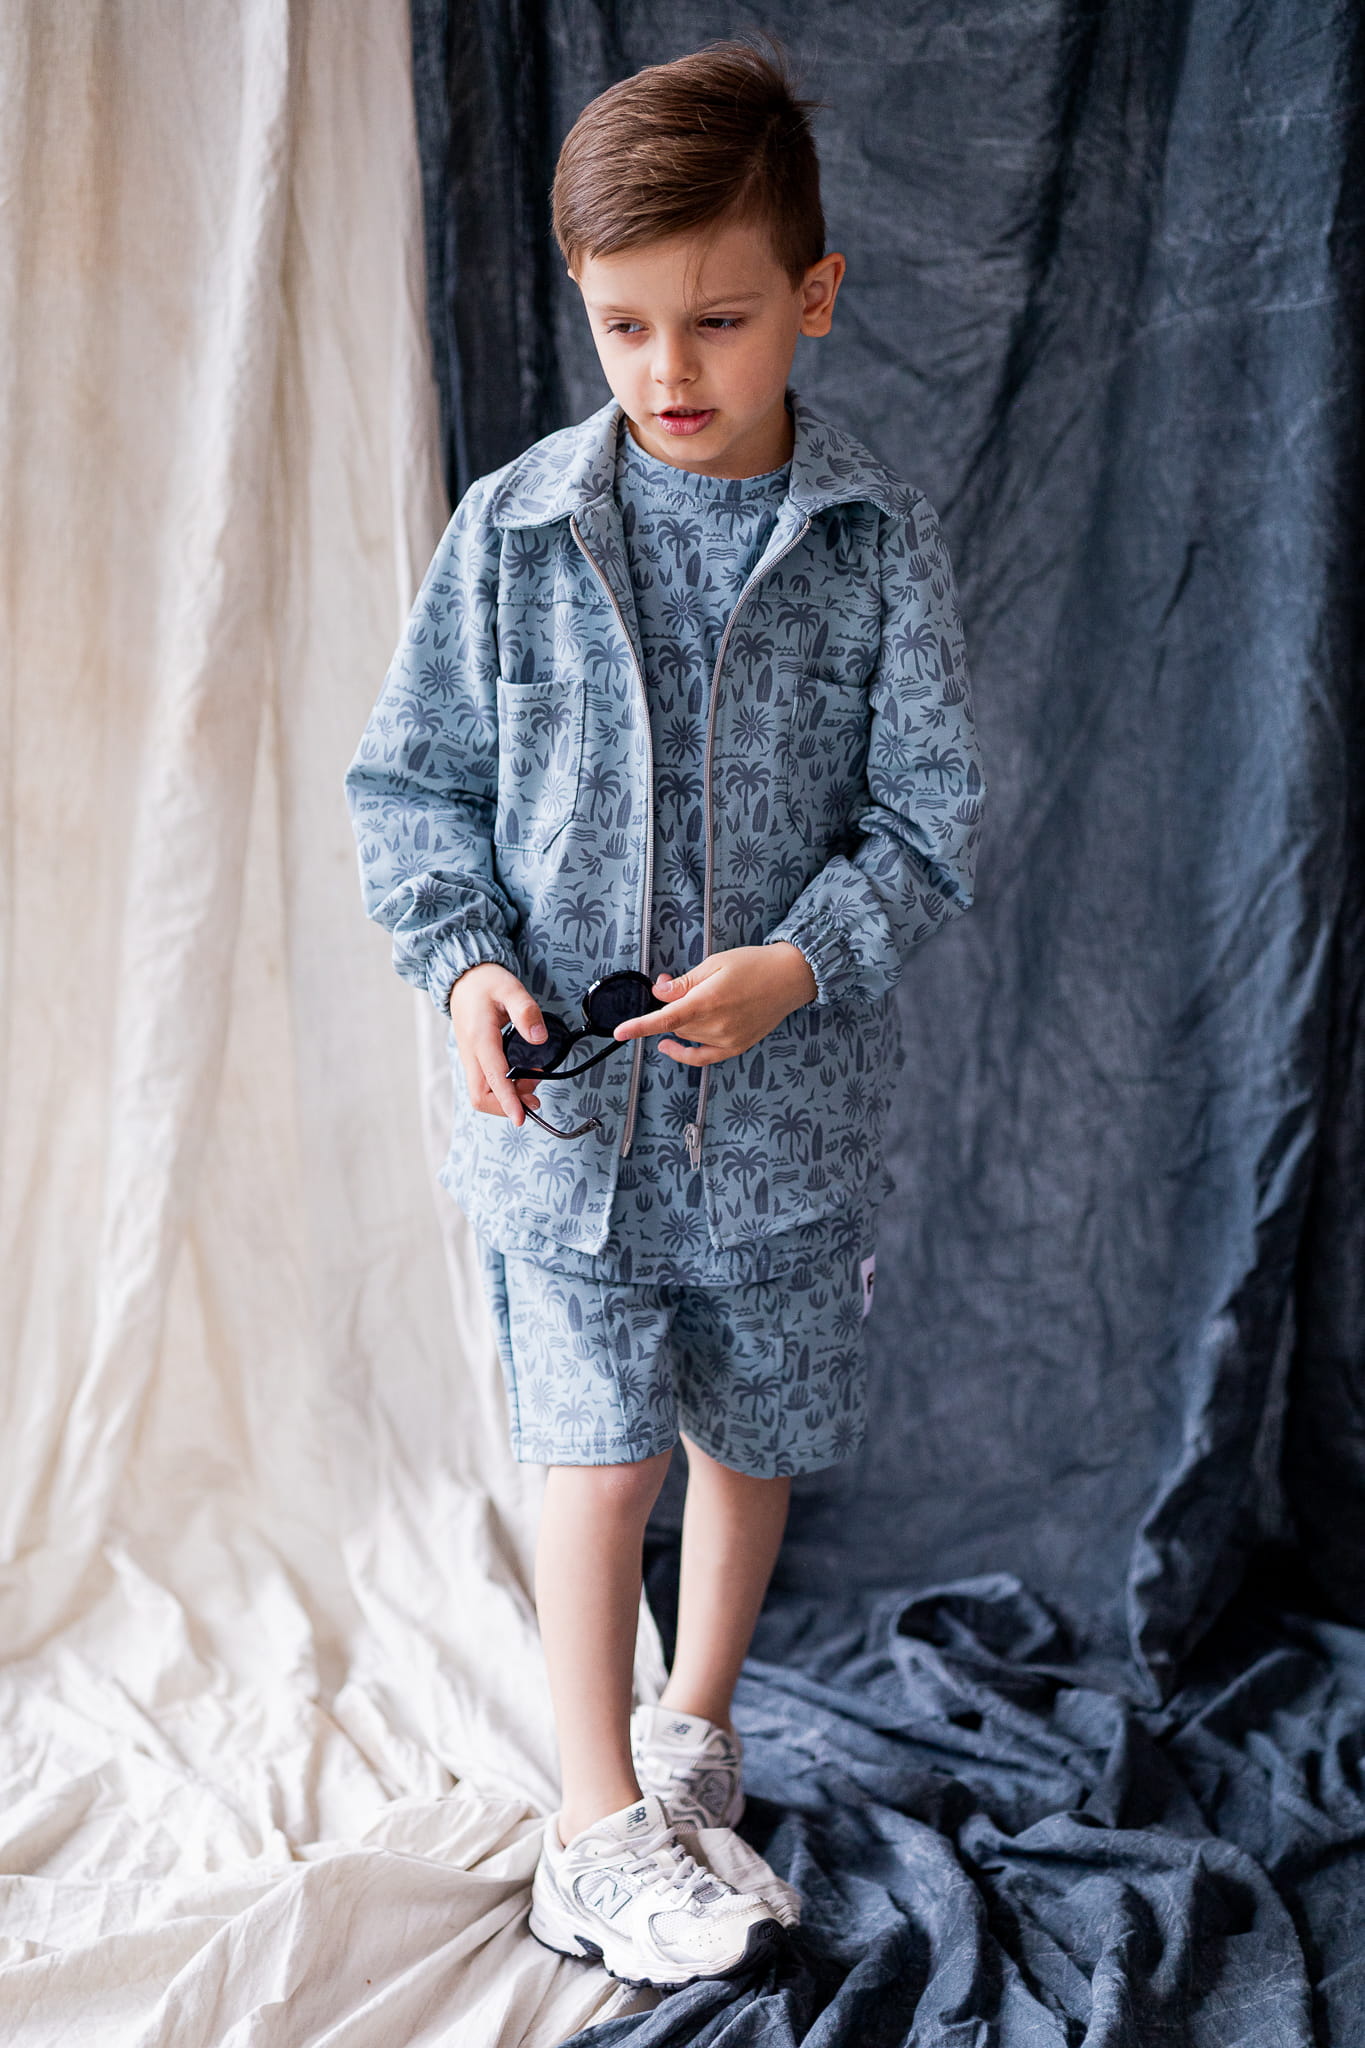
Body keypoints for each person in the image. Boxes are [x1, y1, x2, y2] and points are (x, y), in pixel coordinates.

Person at [343, 36, 983, 1991]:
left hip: (785, 1129)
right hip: (565, 1132)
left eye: (717, 320)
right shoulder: (513, 532)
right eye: (623, 325)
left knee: (747, 1435)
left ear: (812, 296)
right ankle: (591, 1819)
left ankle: (691, 1725)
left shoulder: (871, 543)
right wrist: (465, 962)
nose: (668, 369)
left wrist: (801, 962)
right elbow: (413, 790)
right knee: (597, 1456)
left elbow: (927, 822)